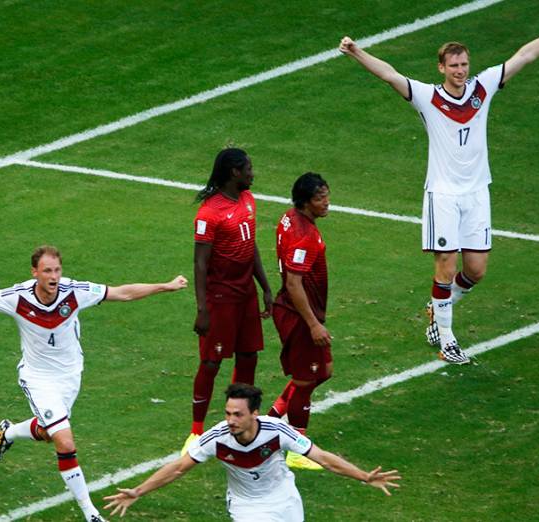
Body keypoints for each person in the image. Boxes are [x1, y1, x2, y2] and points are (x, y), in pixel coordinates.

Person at [339, 12, 539, 364]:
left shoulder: (482, 89)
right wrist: (356, 52)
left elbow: (524, 56)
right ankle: (447, 338)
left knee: (477, 270)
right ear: (440, 67)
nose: (460, 70)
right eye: (453, 65)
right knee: (446, 265)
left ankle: (439, 307)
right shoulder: (426, 97)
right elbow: (389, 74)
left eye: (464, 64)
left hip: (477, 192)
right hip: (443, 194)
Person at [0, 245, 188, 522]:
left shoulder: (74, 291)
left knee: (50, 431)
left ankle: (10, 432)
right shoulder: (17, 297)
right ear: (34, 273)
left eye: (57, 270)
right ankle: (91, 513)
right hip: (38, 378)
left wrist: (165, 285)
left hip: (71, 376)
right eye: (47, 271)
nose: (54, 276)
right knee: (64, 441)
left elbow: (122, 293)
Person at [104, 383, 401, 521]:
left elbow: (322, 458)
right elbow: (179, 467)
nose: (230, 420)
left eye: (237, 414)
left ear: (254, 414)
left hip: (284, 498)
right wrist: (139, 491)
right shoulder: (218, 437)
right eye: (228, 413)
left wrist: (363, 477)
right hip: (248, 507)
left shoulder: (277, 431)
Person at [184, 148, 273, 455]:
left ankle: (242, 421)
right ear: (235, 172)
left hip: (245, 294)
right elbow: (200, 264)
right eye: (248, 168)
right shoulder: (209, 213)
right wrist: (202, 309)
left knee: (248, 357)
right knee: (211, 362)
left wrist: (265, 286)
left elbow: (252, 247)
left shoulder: (248, 201)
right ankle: (195, 432)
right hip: (221, 298)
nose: (252, 173)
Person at [267, 172, 332, 471]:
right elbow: (294, 284)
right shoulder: (304, 236)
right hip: (299, 315)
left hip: (302, 311)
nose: (327, 203)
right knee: (306, 380)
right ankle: (296, 448)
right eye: (320, 198)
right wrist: (313, 324)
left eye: (327, 195)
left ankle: (272, 417)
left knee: (323, 372)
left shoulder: (290, 217)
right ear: (306, 202)